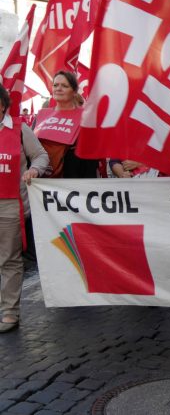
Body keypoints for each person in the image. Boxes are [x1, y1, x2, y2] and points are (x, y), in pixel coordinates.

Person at [0, 85, 50, 333]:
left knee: (9, 259)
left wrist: (34, 170)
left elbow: (41, 156)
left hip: (11, 205)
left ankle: (10, 312)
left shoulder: (19, 129)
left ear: (1, 105)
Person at [34, 71, 99, 178]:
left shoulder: (86, 116)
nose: (58, 89)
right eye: (55, 85)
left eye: (64, 86)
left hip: (73, 182)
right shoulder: (42, 114)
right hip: (41, 181)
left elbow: (91, 157)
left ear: (74, 92)